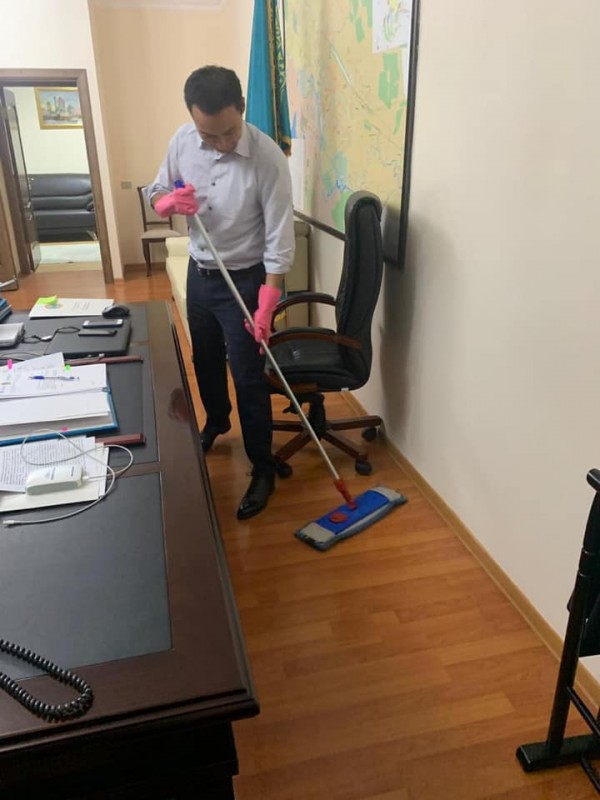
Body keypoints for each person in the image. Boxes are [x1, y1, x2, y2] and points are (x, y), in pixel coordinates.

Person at [145, 65, 295, 520]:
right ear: (193, 119)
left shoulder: (268, 159)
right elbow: (157, 189)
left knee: (248, 376)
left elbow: (279, 241)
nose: (221, 143)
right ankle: (216, 420)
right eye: (209, 135)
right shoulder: (182, 140)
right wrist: (167, 203)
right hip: (201, 272)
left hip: (245, 278)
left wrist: (266, 305)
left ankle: (262, 464)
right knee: (205, 359)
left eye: (229, 132)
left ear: (242, 109)